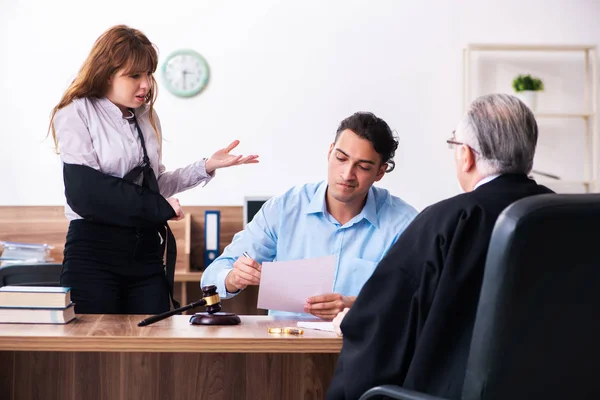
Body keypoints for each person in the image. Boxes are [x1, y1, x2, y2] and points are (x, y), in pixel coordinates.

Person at [327, 94, 555, 399]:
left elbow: (383, 327)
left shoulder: (447, 221)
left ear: (466, 156)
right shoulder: (568, 218)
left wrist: (353, 322)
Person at [49, 25, 258, 315]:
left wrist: (206, 166)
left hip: (146, 251)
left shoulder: (146, 116)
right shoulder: (76, 112)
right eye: (134, 75)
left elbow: (153, 185)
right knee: (93, 348)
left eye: (148, 74)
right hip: (95, 251)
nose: (146, 84)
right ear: (107, 73)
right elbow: (85, 192)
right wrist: (157, 207)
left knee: (156, 346)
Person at [201, 111, 418, 319]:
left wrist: (356, 304)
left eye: (362, 166)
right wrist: (233, 278)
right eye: (341, 158)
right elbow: (212, 276)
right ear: (330, 151)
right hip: (289, 349)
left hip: (367, 350)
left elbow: (421, 297)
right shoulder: (284, 209)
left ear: (380, 172)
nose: (347, 174)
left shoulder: (403, 223)